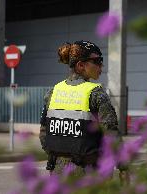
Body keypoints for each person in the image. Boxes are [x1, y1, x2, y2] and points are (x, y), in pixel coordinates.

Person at [39, 40, 128, 179]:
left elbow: (44, 134)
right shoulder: (96, 93)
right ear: (81, 65)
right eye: (97, 61)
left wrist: (56, 160)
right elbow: (111, 133)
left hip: (58, 173)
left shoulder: (53, 92)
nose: (101, 65)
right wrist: (123, 167)